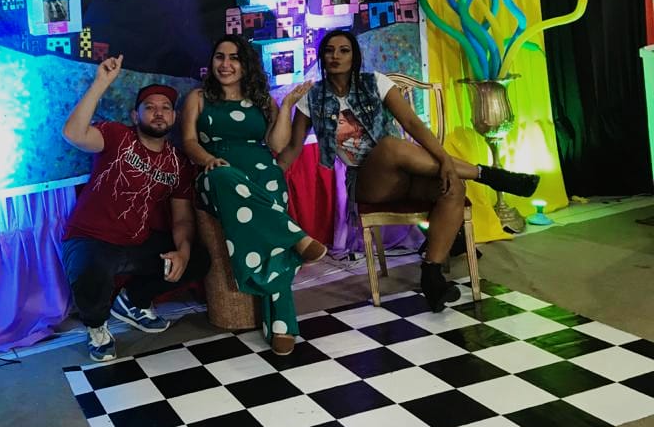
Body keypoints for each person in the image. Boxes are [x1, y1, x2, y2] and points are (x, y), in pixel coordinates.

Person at [284, 29, 540, 312]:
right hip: (367, 182)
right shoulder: (313, 98)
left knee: (453, 187)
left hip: (405, 175)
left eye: (344, 50)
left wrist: (445, 162)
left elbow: (412, 123)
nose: (336, 56)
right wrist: (271, 170)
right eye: (329, 51)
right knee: (390, 146)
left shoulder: (375, 82)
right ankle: (487, 174)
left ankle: (431, 275)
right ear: (322, 57)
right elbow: (294, 147)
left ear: (354, 56)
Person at [181, 35, 328, 357]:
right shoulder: (198, 98)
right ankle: (297, 239)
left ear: (246, 65)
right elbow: (189, 141)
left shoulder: (261, 100)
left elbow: (276, 145)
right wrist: (208, 160)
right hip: (216, 174)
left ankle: (281, 326)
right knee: (224, 175)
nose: (225, 64)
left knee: (272, 195)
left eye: (234, 58)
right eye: (220, 57)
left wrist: (286, 106)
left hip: (262, 172)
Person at [61, 55, 210, 362]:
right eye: (150, 107)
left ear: (174, 117)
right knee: (90, 270)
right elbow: (74, 134)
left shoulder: (178, 163)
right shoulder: (117, 136)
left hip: (136, 241)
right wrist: (101, 83)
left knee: (198, 258)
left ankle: (132, 301)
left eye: (165, 107)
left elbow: (182, 218)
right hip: (91, 237)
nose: (159, 113)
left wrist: (182, 252)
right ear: (135, 115)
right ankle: (96, 327)